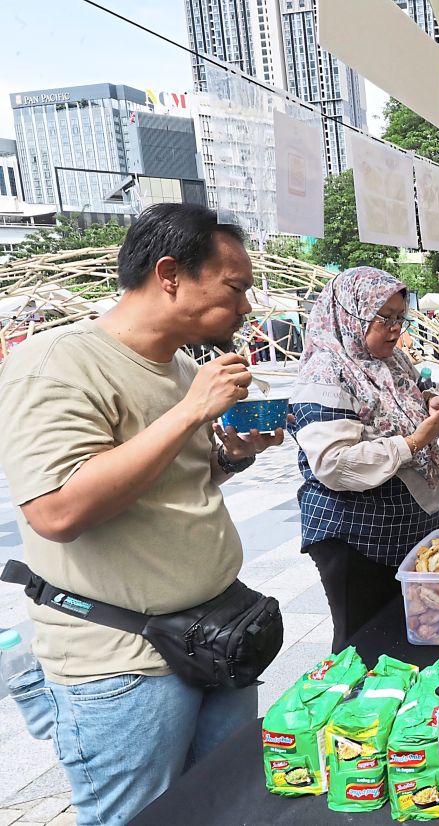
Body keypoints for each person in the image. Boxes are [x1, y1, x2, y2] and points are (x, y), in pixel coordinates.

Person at [0, 203, 284, 825]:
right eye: (234, 288)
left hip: (216, 635)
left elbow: (170, 480)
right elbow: (56, 510)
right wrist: (188, 412)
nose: (245, 308)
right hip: (125, 661)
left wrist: (229, 456)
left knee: (223, 805)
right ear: (170, 274)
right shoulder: (56, 364)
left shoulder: (182, 366)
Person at [291, 267, 439, 650]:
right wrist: (416, 441)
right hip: (358, 538)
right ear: (351, 314)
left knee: (404, 635)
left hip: (404, 531)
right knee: (362, 641)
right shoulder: (327, 371)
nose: (394, 328)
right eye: (383, 318)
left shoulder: (391, 359)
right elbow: (334, 464)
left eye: (400, 317)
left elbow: (410, 390)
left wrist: (429, 399)